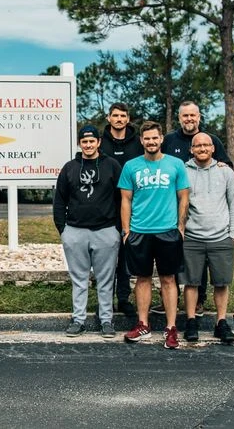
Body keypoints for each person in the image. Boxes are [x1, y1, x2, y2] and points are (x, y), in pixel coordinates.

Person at [118, 120, 190, 349]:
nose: (151, 142)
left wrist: (180, 227)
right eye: (147, 138)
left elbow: (183, 197)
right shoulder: (131, 166)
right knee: (142, 278)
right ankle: (143, 325)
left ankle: (171, 328)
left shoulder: (176, 164)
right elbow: (125, 200)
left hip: (167, 231)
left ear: (161, 139)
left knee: (168, 279)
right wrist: (126, 231)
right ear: (141, 140)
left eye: (154, 138)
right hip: (139, 231)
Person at [160, 100, 232, 317]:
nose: (189, 119)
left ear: (199, 117)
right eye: (185, 115)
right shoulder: (170, 140)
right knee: (173, 256)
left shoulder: (211, 140)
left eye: (193, 115)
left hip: (200, 211)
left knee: (198, 257)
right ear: (179, 118)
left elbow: (225, 165)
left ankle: (199, 301)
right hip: (171, 207)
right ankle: (169, 300)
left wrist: (221, 164)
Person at [53, 125, 123, 338]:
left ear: (99, 142)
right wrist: (63, 230)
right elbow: (59, 200)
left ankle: (106, 320)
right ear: (79, 143)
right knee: (79, 279)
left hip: (106, 231)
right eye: (84, 141)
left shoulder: (112, 166)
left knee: (106, 280)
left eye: (92, 141)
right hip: (75, 231)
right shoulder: (69, 168)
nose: (88, 145)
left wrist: (117, 229)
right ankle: (78, 319)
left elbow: (122, 198)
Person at [181, 133, 234, 345]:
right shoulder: (183, 171)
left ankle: (221, 322)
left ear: (213, 148)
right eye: (198, 145)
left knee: (221, 282)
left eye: (206, 145)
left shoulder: (225, 172)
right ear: (191, 149)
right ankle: (191, 321)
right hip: (192, 238)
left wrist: (233, 234)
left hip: (221, 238)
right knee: (191, 282)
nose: (202, 149)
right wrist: (180, 230)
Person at [99, 102, 145, 318]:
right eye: (115, 115)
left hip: (133, 205)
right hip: (105, 206)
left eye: (123, 116)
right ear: (109, 118)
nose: (119, 119)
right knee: (107, 257)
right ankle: (105, 301)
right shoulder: (101, 142)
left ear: (128, 118)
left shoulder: (137, 143)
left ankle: (124, 298)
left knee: (126, 255)